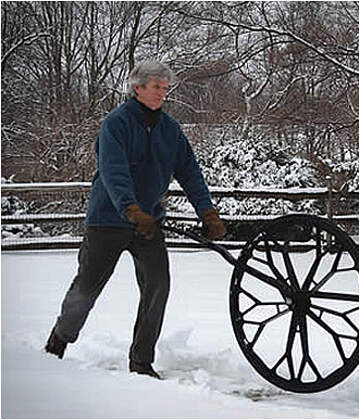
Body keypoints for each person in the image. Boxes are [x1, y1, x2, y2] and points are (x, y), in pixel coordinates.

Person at [44, 61, 226, 379]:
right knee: (87, 287)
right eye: (155, 86)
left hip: (148, 224)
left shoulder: (170, 129)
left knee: (158, 285)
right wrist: (130, 209)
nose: (161, 93)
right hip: (108, 220)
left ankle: (141, 360)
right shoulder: (115, 124)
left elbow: (189, 172)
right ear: (137, 88)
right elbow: (114, 173)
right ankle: (58, 341)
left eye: (164, 88)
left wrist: (207, 211)